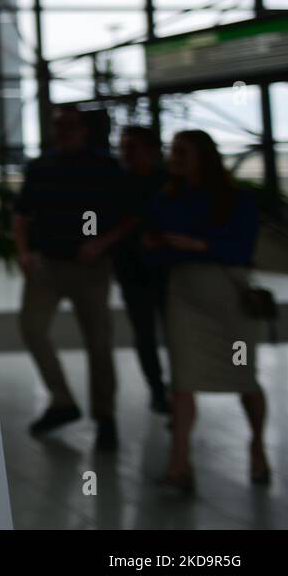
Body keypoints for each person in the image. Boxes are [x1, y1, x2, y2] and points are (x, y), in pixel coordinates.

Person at [146, 130, 269, 491]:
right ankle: (179, 463)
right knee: (183, 381)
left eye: (183, 151)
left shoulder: (235, 199)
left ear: (203, 156)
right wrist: (169, 246)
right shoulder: (167, 197)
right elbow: (154, 243)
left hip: (227, 294)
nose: (176, 157)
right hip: (185, 293)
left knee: (243, 378)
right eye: (174, 151)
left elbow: (241, 245)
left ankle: (257, 444)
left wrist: (196, 244)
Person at [14, 105, 136, 451]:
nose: (63, 132)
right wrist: (24, 251)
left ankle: (105, 415)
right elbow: (21, 214)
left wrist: (101, 242)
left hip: (90, 267)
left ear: (84, 130)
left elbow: (130, 217)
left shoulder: (105, 167)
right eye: (58, 126)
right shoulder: (41, 167)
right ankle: (62, 400)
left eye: (69, 126)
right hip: (48, 263)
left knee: (98, 340)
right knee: (32, 328)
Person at [113, 127, 170, 414]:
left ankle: (173, 389)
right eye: (123, 147)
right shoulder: (119, 182)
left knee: (172, 332)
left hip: (166, 268)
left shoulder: (168, 181)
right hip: (134, 268)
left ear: (149, 148)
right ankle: (158, 389)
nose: (126, 152)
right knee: (145, 332)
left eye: (131, 146)